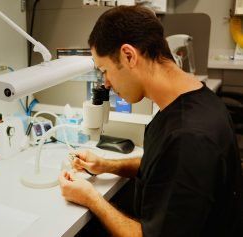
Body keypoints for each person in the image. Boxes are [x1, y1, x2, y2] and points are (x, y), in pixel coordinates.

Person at [58, 5, 243, 237]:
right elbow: (160, 166)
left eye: (104, 70)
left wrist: (92, 199)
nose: (105, 83)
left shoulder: (188, 136)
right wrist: (106, 165)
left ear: (129, 56)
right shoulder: (191, 99)